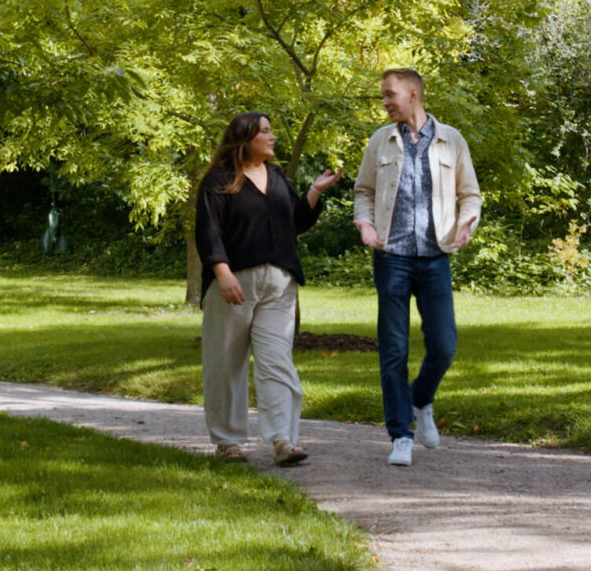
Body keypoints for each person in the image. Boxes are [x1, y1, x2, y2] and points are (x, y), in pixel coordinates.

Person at [196, 112, 342, 466]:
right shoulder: (219, 180)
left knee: (277, 361)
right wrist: (222, 272)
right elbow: (209, 231)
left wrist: (315, 191)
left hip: (279, 285)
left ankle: (282, 441)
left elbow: (295, 221)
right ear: (245, 139)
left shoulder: (276, 177)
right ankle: (228, 442)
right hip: (233, 284)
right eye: (265, 131)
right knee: (226, 363)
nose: (272, 136)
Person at [351, 68, 481, 467]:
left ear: (413, 94)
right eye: (383, 96)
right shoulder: (380, 141)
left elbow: (470, 194)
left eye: (390, 95)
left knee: (443, 346)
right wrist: (366, 223)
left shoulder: (450, 140)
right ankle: (400, 434)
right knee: (394, 349)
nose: (385, 102)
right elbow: (364, 191)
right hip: (391, 257)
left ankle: (420, 400)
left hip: (434, 257)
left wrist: (466, 222)